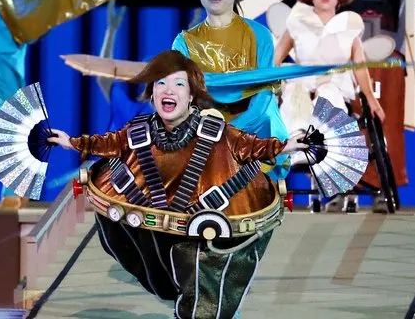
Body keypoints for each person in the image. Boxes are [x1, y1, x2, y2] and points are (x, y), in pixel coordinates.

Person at [48, 50, 308, 319]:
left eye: (178, 84)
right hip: (153, 231)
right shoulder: (138, 131)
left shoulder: (217, 132)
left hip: (205, 235)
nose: (167, 90)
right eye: (161, 83)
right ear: (151, 93)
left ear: (192, 95)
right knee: (155, 267)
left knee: (204, 282)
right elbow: (109, 143)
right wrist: (72, 142)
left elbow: (250, 147)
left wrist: (286, 146)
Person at [273, 0, 386, 212]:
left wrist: (371, 97)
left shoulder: (349, 26)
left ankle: (324, 146)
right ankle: (299, 142)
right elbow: (275, 60)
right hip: (302, 84)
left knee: (328, 93)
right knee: (295, 94)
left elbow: (360, 66)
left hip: (334, 85)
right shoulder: (296, 23)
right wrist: (279, 74)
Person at [171, 0, 291, 182]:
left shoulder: (260, 35)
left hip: (253, 125)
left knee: (264, 121)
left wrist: (232, 132)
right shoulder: (183, 43)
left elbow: (264, 96)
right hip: (203, 128)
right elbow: (182, 97)